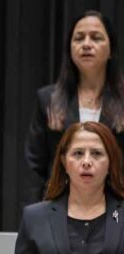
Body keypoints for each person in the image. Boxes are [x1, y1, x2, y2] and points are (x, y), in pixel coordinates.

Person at [10, 121, 124, 254]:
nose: (87, 162)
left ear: (110, 162)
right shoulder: (35, 218)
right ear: (64, 161)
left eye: (96, 153)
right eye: (78, 153)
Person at [26, 11, 124, 185]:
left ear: (111, 50)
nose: (86, 44)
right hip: (62, 199)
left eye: (96, 38)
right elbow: (35, 165)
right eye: (79, 38)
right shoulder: (49, 99)